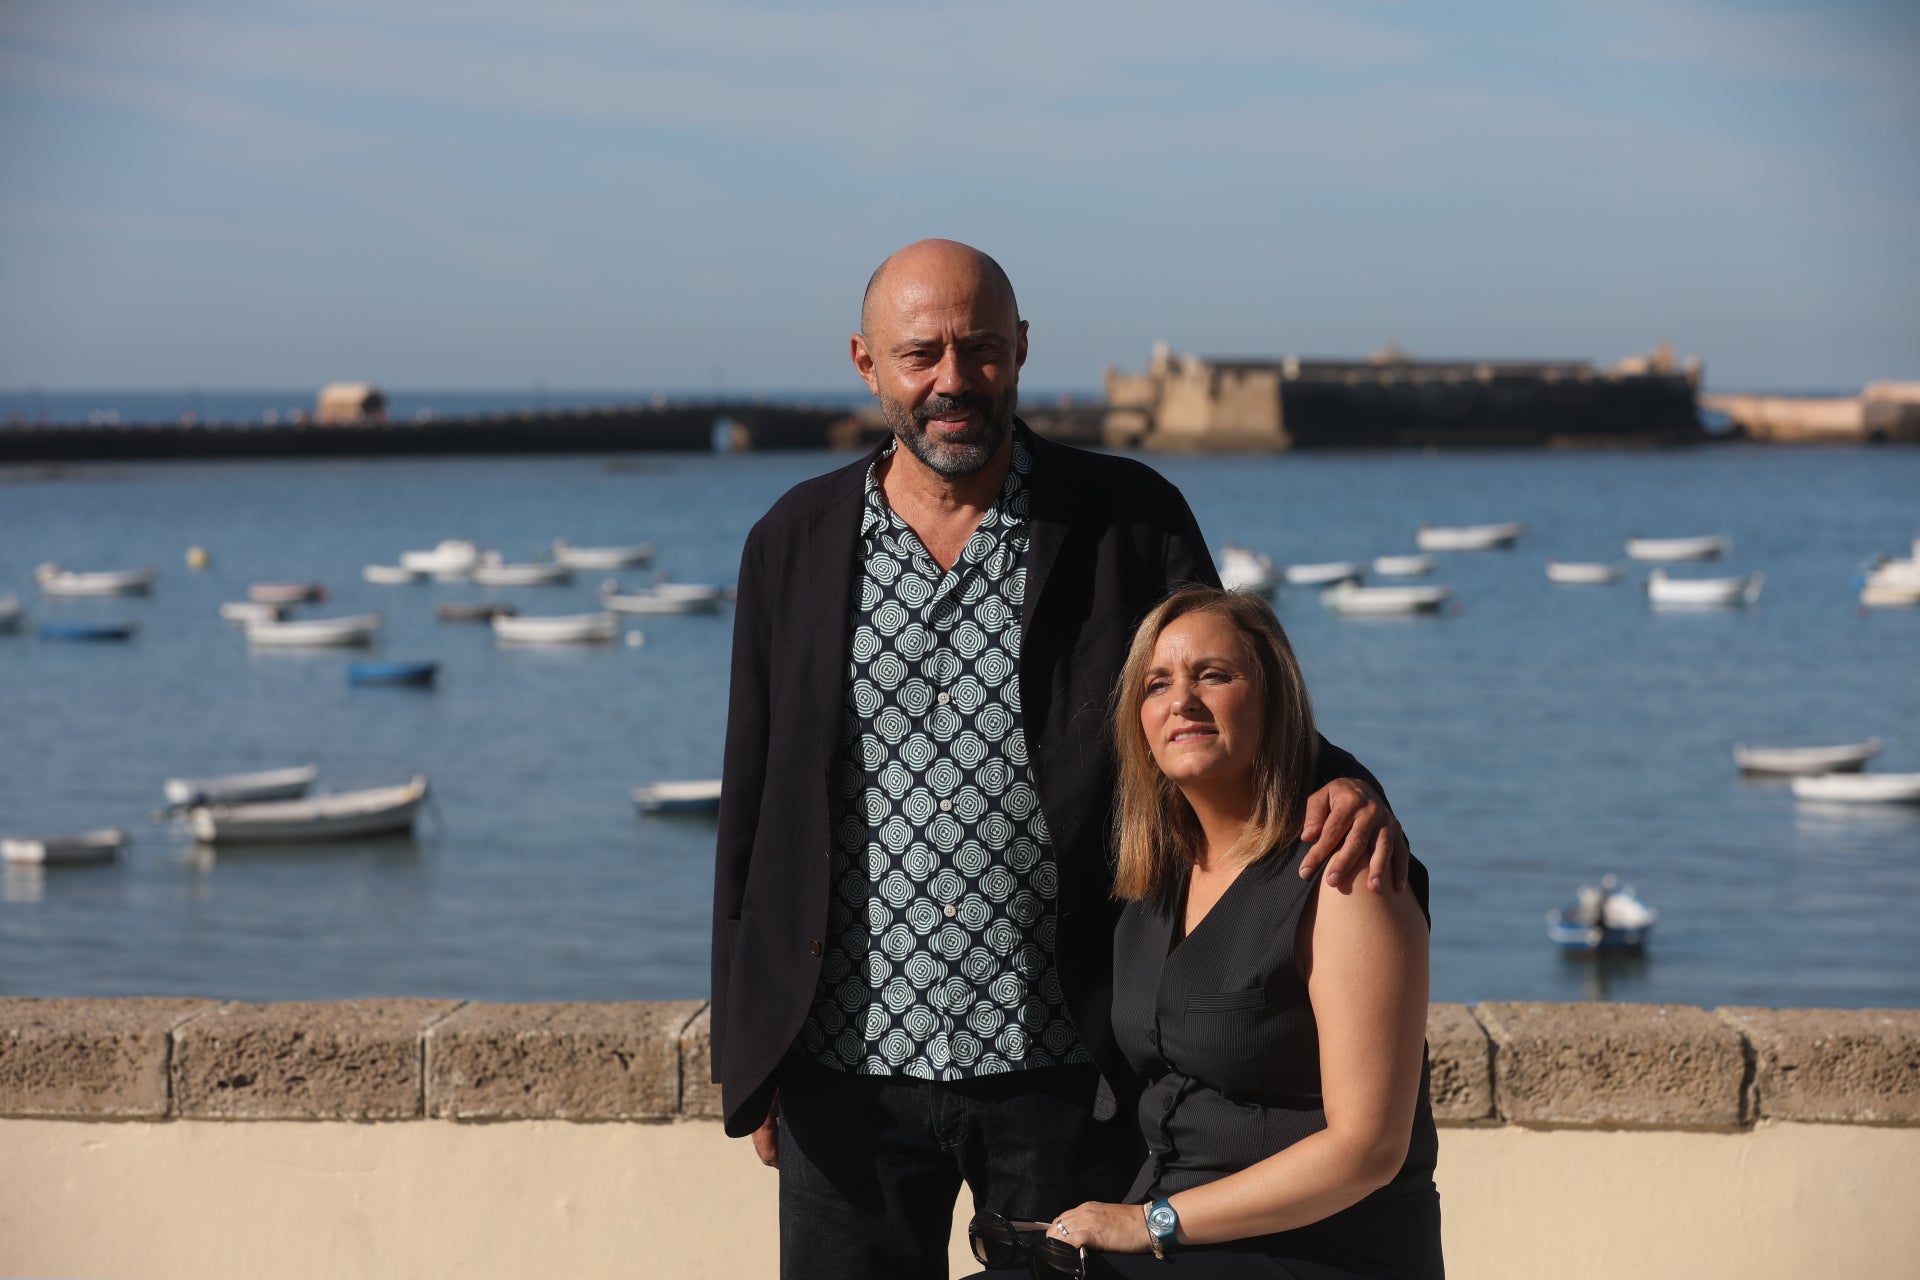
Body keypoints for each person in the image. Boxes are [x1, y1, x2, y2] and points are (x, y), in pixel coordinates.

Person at [711, 238, 1413, 1279]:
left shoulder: (1127, 517)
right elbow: (754, 801)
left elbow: (1227, 688)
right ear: (867, 363)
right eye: (922, 355)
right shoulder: (794, 541)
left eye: (981, 348)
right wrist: (749, 1051)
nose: (954, 380)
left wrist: (1343, 781)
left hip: (1065, 1066)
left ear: (1023, 350)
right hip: (838, 1072)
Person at [980, 586, 1440, 1277]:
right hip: (1179, 1238)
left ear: (1274, 701)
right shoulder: (1153, 888)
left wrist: (1150, 1223)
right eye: (1157, 684)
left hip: (1317, 1248)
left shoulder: (1345, 874)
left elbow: (1368, 1148)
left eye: (1214, 675)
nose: (1182, 701)